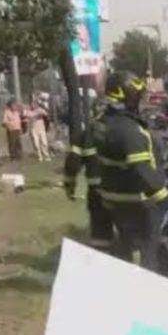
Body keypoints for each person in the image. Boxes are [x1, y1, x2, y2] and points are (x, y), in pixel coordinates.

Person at [92, 71, 168, 270]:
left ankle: (126, 272)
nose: (140, 102)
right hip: (137, 200)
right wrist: (166, 198)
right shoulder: (130, 131)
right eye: (137, 96)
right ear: (125, 96)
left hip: (112, 196)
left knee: (128, 245)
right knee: (148, 247)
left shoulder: (102, 122)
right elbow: (141, 170)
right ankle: (145, 284)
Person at [64, 100, 115, 251]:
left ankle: (102, 260)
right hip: (124, 190)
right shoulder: (127, 130)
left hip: (97, 191)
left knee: (101, 235)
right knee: (128, 234)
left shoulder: (88, 134)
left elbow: (72, 163)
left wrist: (69, 185)